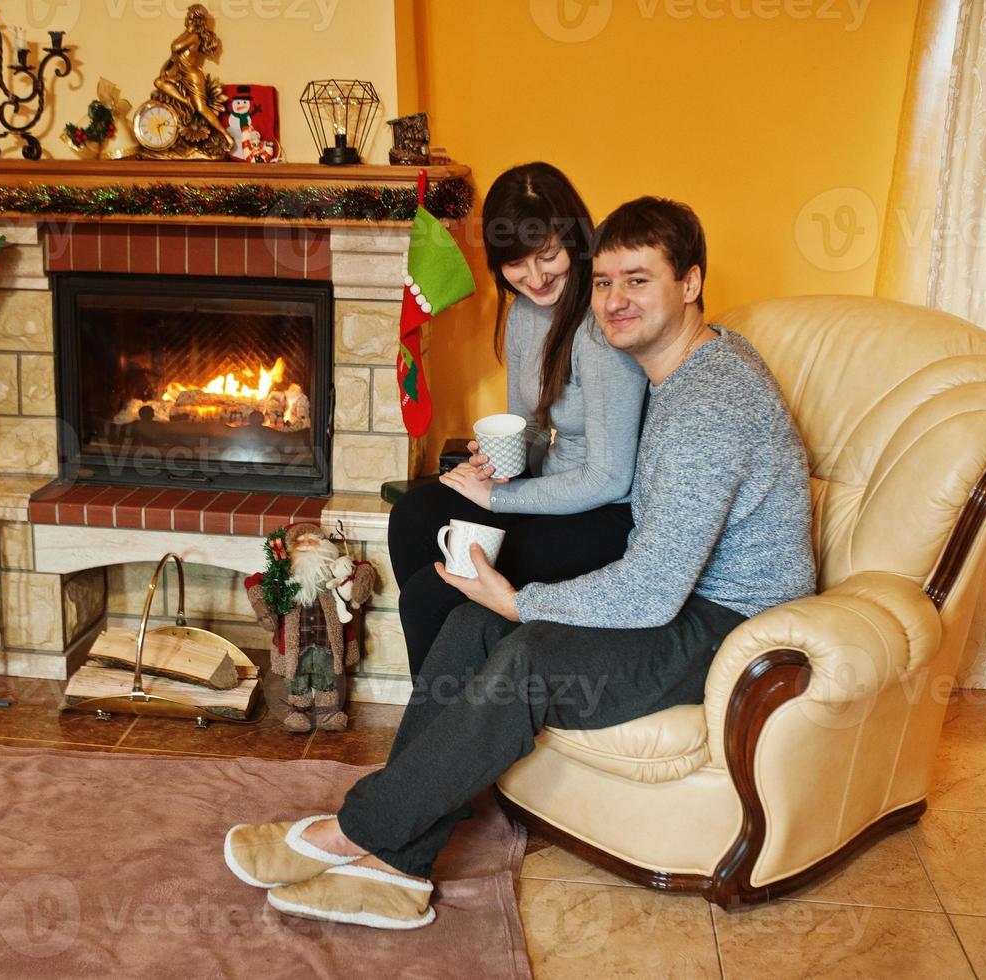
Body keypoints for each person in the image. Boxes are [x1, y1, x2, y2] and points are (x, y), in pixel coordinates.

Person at [223, 197, 817, 930]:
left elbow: (656, 588)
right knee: (471, 625)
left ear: (690, 283)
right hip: (684, 599)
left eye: (638, 280)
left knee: (526, 649)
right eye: (602, 283)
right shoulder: (689, 365)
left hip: (730, 621)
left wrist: (523, 602)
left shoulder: (709, 403)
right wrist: (502, 599)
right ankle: (400, 870)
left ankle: (354, 832)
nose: (613, 301)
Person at [388, 162, 648, 675]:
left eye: (548, 256)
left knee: (429, 595)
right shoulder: (526, 314)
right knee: (412, 520)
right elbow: (526, 426)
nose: (534, 278)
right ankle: (472, 673)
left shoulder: (604, 325)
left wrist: (499, 497)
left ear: (575, 241)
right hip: (547, 493)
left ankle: (460, 715)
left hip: (607, 514)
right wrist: (492, 467)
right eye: (517, 265)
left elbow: (611, 477)